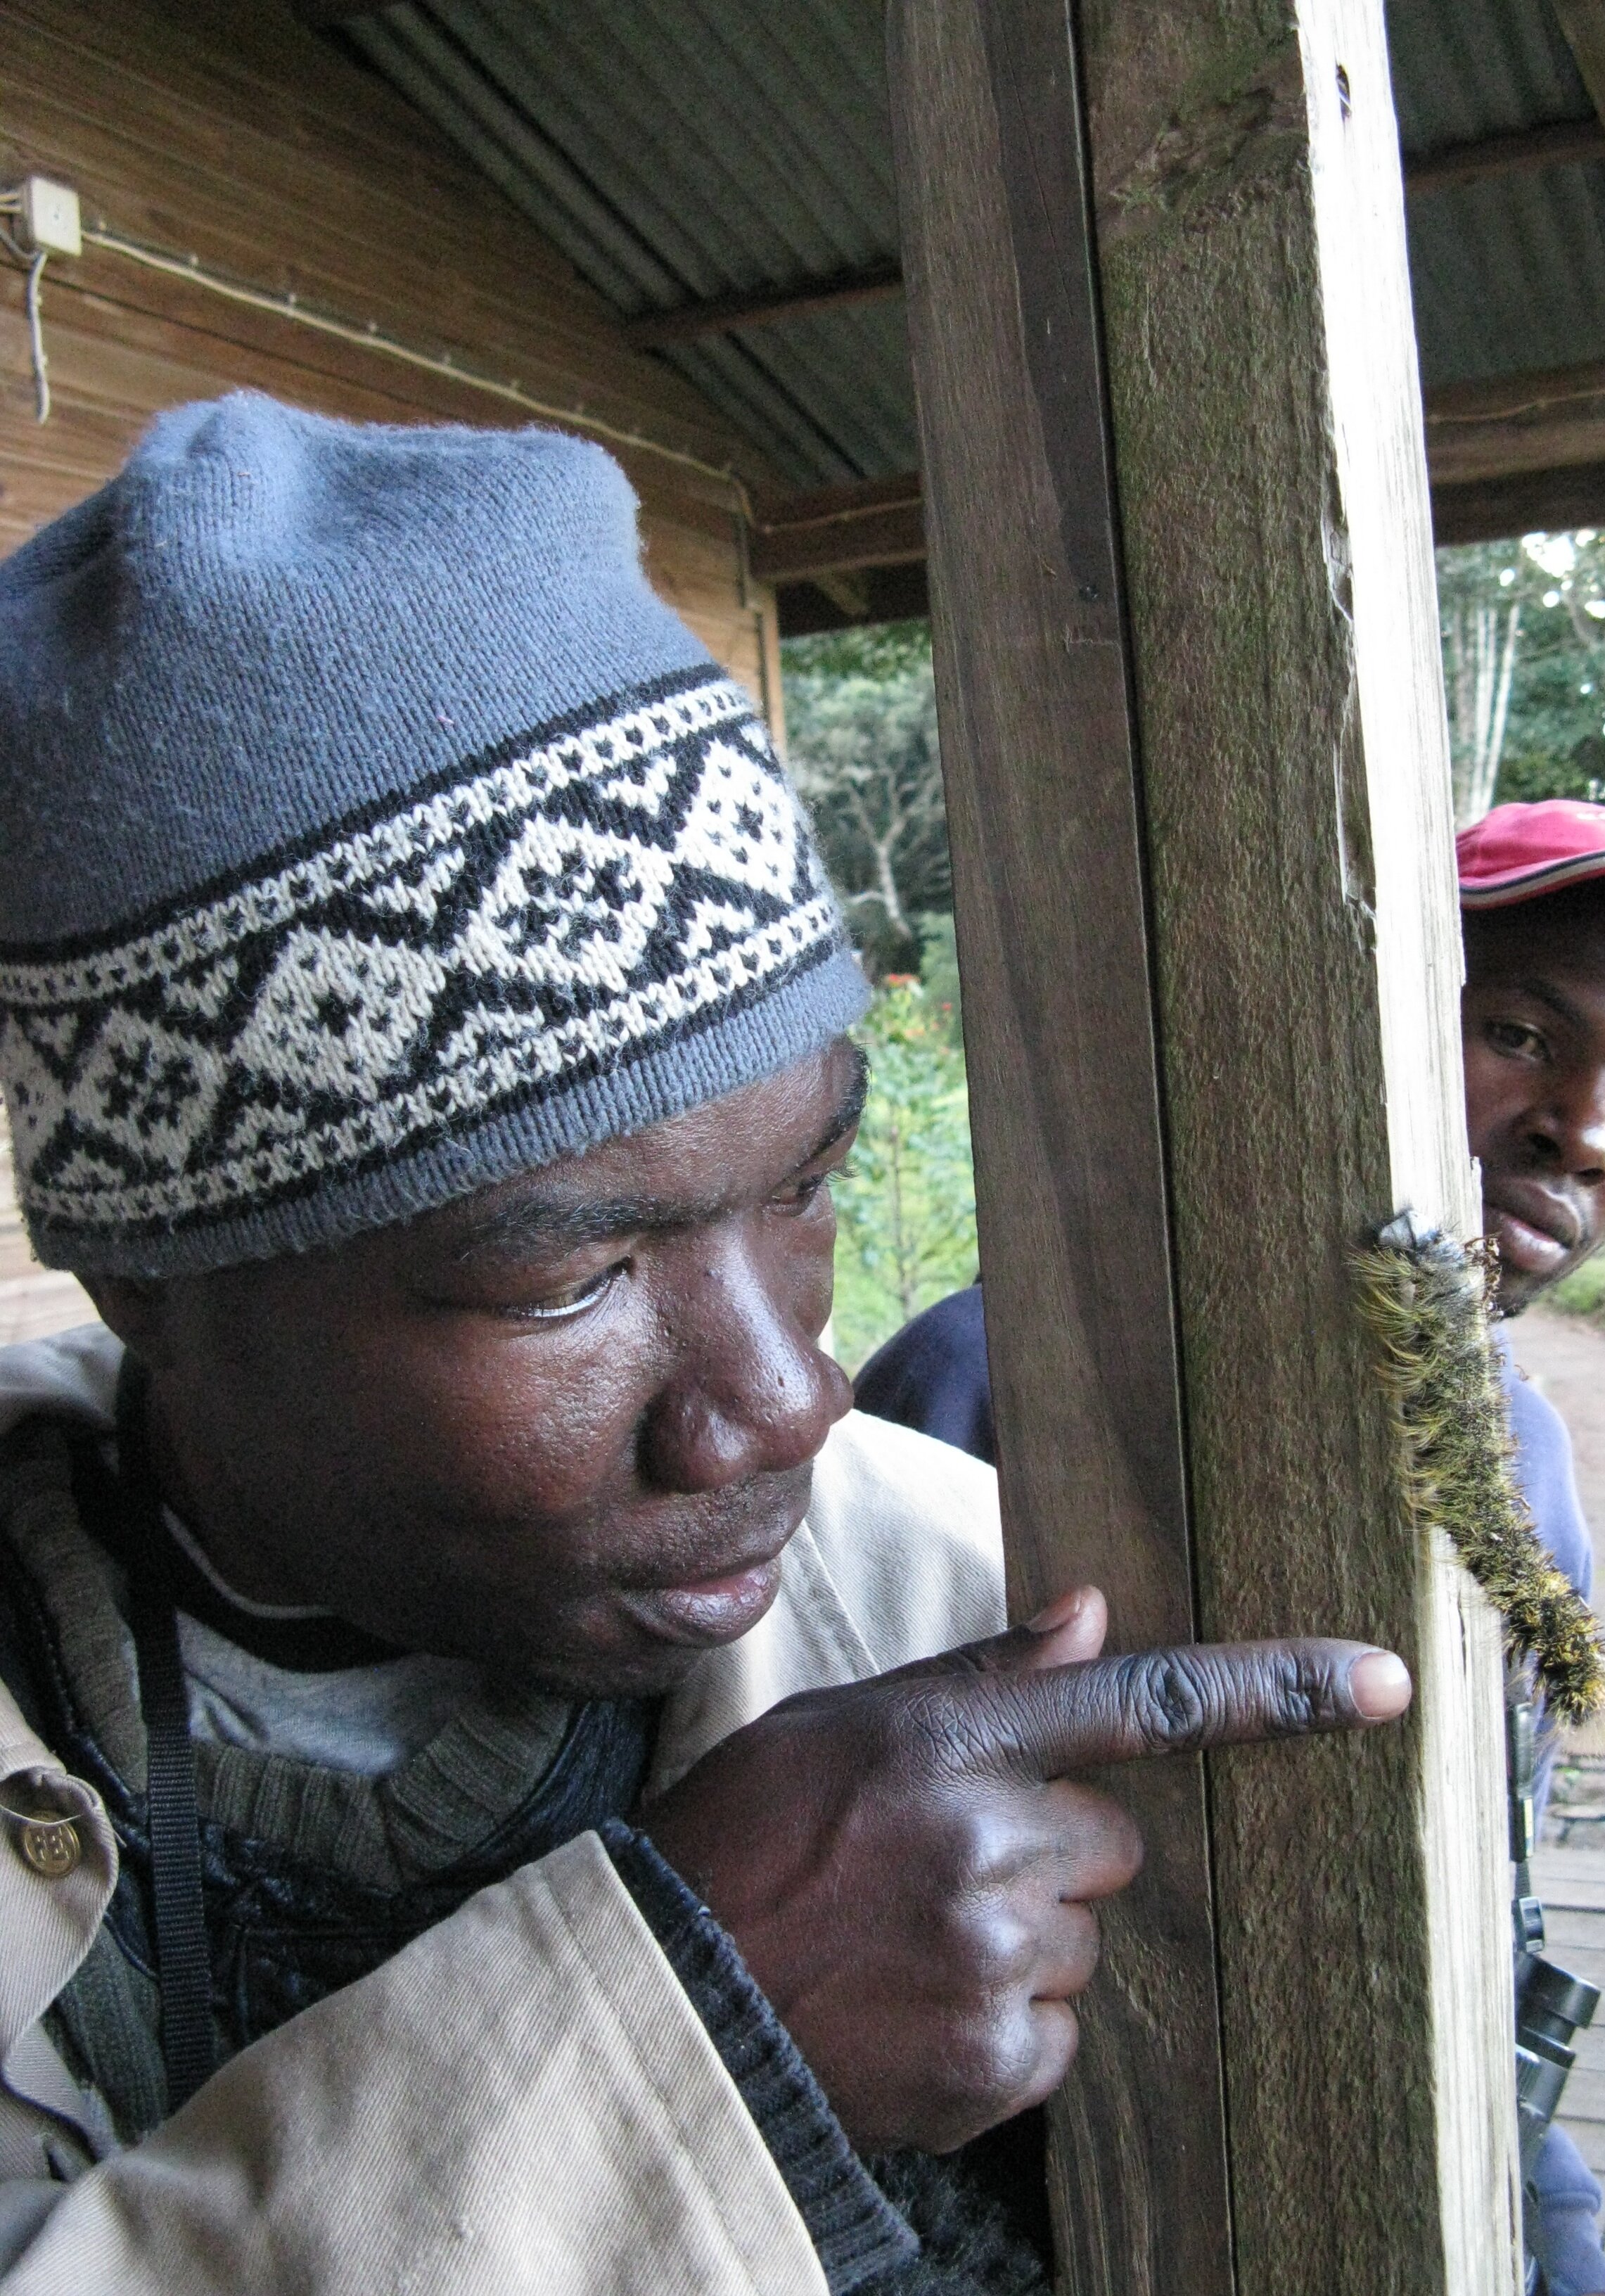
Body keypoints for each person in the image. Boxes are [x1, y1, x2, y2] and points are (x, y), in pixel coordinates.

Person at [0, 395, 1413, 2295]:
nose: (788, 1399)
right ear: (148, 1285)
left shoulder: (979, 1591)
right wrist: (685, 2041)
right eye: (566, 1282)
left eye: (809, 1185)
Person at [857, 796, 1605, 2296]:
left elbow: (1493, 1921)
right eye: (1518, 1031)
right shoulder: (995, 1376)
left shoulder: (1529, 1471)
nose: (1580, 1133)